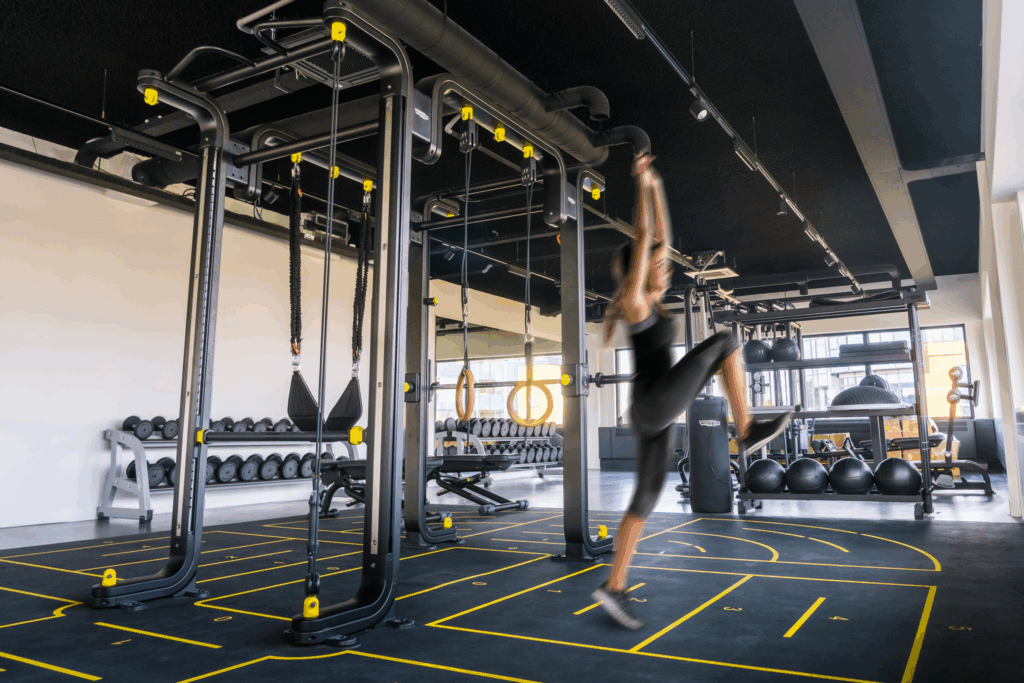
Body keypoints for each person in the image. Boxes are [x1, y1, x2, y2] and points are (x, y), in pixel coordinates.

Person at [591, 153, 792, 630]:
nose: (667, 267)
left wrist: (657, 183)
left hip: (652, 409)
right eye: (658, 264)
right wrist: (640, 185)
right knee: (726, 340)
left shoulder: (654, 306)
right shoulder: (636, 301)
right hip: (653, 403)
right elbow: (645, 240)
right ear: (640, 272)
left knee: (647, 495)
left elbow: (661, 238)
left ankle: (613, 586)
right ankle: (744, 429)